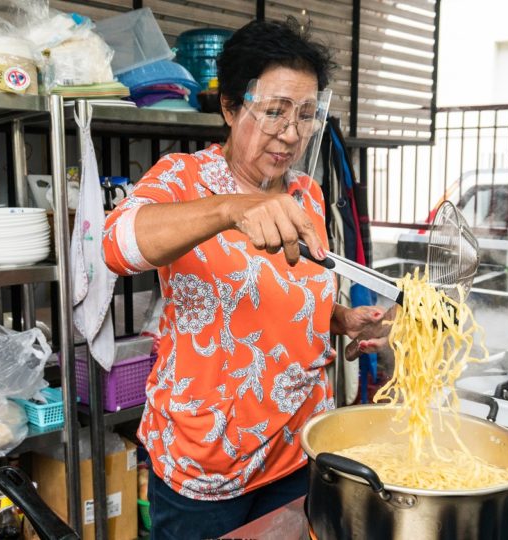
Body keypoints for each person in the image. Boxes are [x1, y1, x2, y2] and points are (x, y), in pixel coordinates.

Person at [102, 18, 391, 540]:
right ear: (231, 108)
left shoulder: (308, 194)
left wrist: (343, 318)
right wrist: (233, 208)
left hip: (300, 449)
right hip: (207, 465)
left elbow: (296, 296)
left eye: (305, 115)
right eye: (275, 111)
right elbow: (116, 246)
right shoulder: (184, 178)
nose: (290, 132)